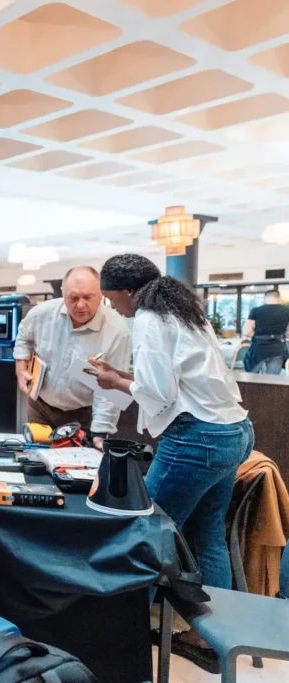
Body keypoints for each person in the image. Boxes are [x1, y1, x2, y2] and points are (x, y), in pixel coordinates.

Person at [92, 254, 254, 671]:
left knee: (144, 534)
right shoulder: (184, 313)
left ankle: (120, 644)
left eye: (111, 299)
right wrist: (126, 377)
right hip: (234, 431)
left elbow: (158, 392)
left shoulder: (147, 319)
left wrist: (115, 380)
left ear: (128, 292)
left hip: (197, 439)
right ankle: (212, 639)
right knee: (206, 536)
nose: (112, 308)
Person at [14, 266, 131, 447]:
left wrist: (100, 432)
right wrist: (21, 369)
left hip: (82, 414)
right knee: (34, 459)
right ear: (63, 294)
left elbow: (111, 389)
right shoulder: (41, 314)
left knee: (73, 469)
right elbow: (24, 338)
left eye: (88, 297)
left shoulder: (117, 330)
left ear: (100, 295)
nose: (81, 305)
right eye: (73, 298)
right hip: (40, 406)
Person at [243, 289, 289, 374]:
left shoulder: (256, 311)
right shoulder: (286, 311)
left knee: (252, 376)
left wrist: (256, 333)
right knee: (272, 379)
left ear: (265, 298)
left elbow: (246, 332)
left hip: (259, 347)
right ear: (279, 298)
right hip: (278, 347)